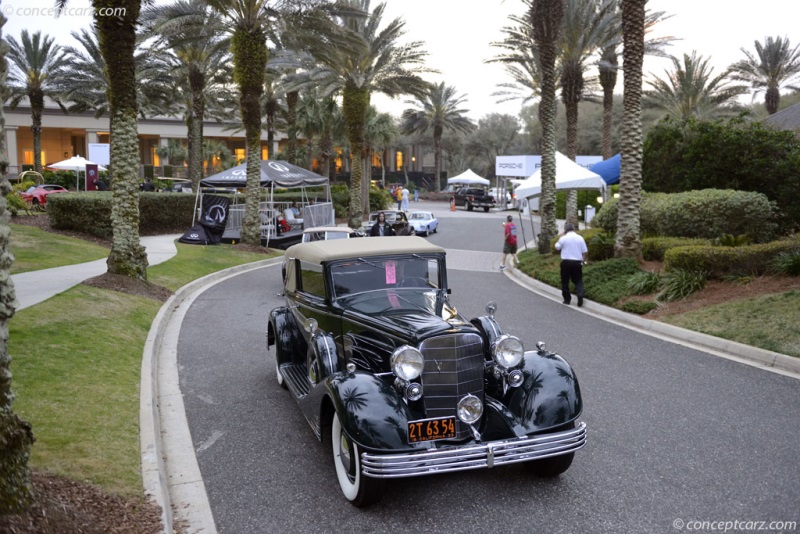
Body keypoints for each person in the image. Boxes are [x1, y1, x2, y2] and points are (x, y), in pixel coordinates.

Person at [554, 223, 589, 306]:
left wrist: (560, 237)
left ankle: (567, 299)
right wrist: (584, 261)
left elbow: (557, 247)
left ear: (565, 230)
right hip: (577, 262)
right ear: (574, 229)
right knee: (578, 280)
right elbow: (585, 252)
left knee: (565, 280)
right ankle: (580, 294)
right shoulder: (580, 238)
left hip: (566, 262)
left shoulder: (564, 238)